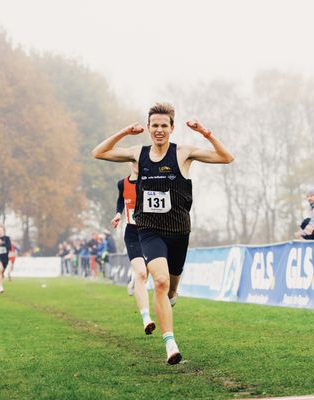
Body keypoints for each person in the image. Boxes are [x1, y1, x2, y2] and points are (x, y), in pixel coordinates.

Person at [93, 102, 234, 364]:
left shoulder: (183, 153)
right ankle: (170, 343)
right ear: (148, 128)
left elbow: (227, 158)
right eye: (154, 125)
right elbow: (98, 152)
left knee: (170, 290)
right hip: (149, 230)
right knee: (158, 282)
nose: (159, 130)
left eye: (164, 126)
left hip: (179, 231)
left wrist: (205, 132)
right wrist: (125, 132)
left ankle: (170, 297)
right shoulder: (138, 153)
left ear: (172, 128)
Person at [111, 162, 156, 335]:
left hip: (151, 232)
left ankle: (134, 282)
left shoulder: (151, 181)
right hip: (132, 234)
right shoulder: (122, 183)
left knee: (148, 271)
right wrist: (117, 214)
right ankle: (146, 319)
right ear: (131, 163)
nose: (138, 164)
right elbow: (121, 199)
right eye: (135, 161)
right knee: (142, 273)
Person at [0, 224, 12, 292]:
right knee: (0, 269)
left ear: (4, 231)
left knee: (1, 273)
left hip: (5, 259)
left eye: (1, 230)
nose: (0, 232)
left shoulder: (7, 238)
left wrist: (2, 243)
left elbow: (9, 247)